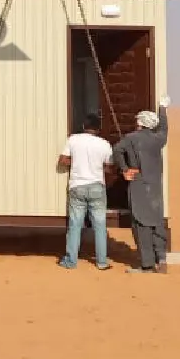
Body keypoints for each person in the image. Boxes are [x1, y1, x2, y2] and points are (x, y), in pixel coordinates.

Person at [112, 97, 171, 273]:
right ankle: (161, 259)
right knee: (156, 222)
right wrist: (162, 108)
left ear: (139, 123)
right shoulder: (159, 139)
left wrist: (124, 170)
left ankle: (147, 264)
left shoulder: (130, 138)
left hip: (138, 184)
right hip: (155, 187)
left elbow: (117, 150)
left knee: (140, 224)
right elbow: (164, 128)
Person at [57, 112, 115, 271]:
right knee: (100, 225)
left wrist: (76, 161)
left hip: (77, 186)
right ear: (98, 129)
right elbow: (109, 167)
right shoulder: (104, 144)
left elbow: (62, 160)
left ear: (84, 126)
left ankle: (71, 261)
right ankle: (102, 262)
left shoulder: (73, 139)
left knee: (75, 225)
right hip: (97, 186)